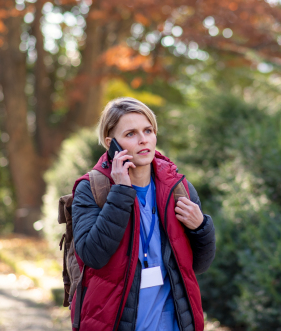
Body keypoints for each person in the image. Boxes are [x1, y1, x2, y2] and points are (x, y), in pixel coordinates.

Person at [70, 97, 216, 331]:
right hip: (115, 322)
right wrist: (120, 192)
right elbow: (92, 255)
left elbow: (199, 264)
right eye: (130, 134)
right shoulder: (93, 189)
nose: (143, 139)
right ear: (111, 143)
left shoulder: (178, 187)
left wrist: (201, 227)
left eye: (148, 130)